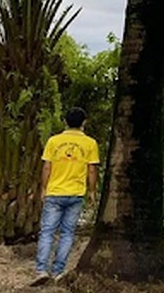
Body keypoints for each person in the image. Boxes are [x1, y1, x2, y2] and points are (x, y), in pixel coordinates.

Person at [32, 107, 99, 285]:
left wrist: (44, 188)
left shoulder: (54, 141)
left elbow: (47, 167)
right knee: (67, 233)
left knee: (47, 232)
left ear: (65, 122)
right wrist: (92, 191)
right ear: (84, 122)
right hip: (76, 193)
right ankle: (58, 271)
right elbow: (91, 170)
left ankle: (41, 270)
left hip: (55, 191)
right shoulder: (90, 144)